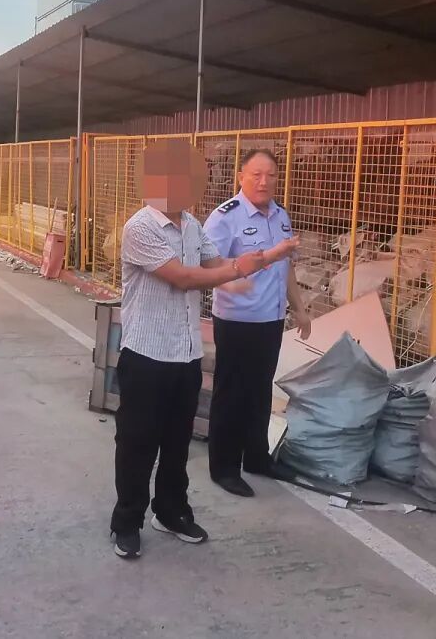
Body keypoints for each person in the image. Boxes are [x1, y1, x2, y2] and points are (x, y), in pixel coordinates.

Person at [110, 139, 299, 560]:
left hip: (186, 354)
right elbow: (184, 277)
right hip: (147, 354)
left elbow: (215, 264)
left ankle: (171, 511)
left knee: (177, 443)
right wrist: (240, 269)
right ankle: (126, 521)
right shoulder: (140, 227)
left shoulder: (193, 225)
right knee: (138, 443)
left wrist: (249, 265)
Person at [203, 149, 312, 497]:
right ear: (241, 177)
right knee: (231, 394)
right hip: (237, 319)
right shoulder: (225, 218)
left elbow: (286, 266)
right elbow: (208, 266)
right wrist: (239, 277)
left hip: (270, 319)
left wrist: (299, 308)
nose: (264, 182)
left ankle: (256, 457)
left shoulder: (281, 216)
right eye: (256, 175)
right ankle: (224, 467)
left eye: (271, 175)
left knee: (260, 391)